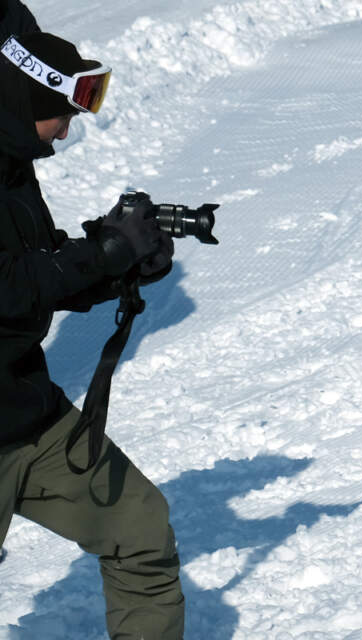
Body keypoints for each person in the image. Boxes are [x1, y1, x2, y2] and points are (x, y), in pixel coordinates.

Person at [1, 29, 185, 639]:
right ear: (26, 99)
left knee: (139, 530)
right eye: (63, 114)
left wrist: (122, 266)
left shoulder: (13, 169)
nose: (67, 130)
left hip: (27, 416)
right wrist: (101, 256)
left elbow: (40, 264)